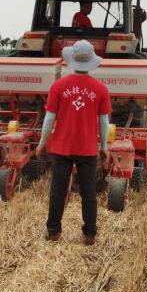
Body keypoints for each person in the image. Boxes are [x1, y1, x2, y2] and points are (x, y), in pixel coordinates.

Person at [35, 40, 111, 245]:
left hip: (61, 148)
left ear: (71, 59)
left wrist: (42, 142)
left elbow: (49, 118)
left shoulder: (58, 86)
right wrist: (104, 147)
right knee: (88, 193)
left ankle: (53, 231)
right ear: (91, 62)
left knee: (57, 190)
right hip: (87, 149)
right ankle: (89, 234)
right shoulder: (101, 89)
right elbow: (104, 122)